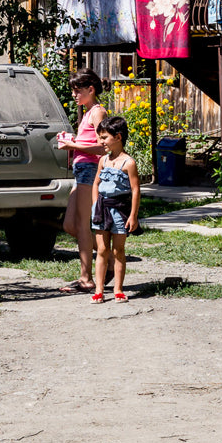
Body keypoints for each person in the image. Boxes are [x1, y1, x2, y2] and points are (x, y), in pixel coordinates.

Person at [56, 68, 107, 293]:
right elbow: (88, 143)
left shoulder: (98, 112)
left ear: (91, 89)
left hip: (89, 171)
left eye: (78, 91)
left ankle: (86, 278)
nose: (74, 95)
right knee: (70, 224)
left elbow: (102, 146)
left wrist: (72, 145)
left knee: (83, 225)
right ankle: (109, 258)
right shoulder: (86, 112)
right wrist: (73, 141)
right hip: (80, 171)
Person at [89, 115, 139, 304]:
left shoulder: (129, 163)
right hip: (102, 210)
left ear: (118, 137)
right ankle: (99, 290)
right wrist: (95, 205)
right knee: (101, 249)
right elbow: (96, 183)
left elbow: (135, 190)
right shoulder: (103, 161)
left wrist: (133, 216)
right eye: (100, 137)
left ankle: (118, 289)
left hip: (120, 211)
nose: (100, 141)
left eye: (104, 138)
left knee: (118, 250)